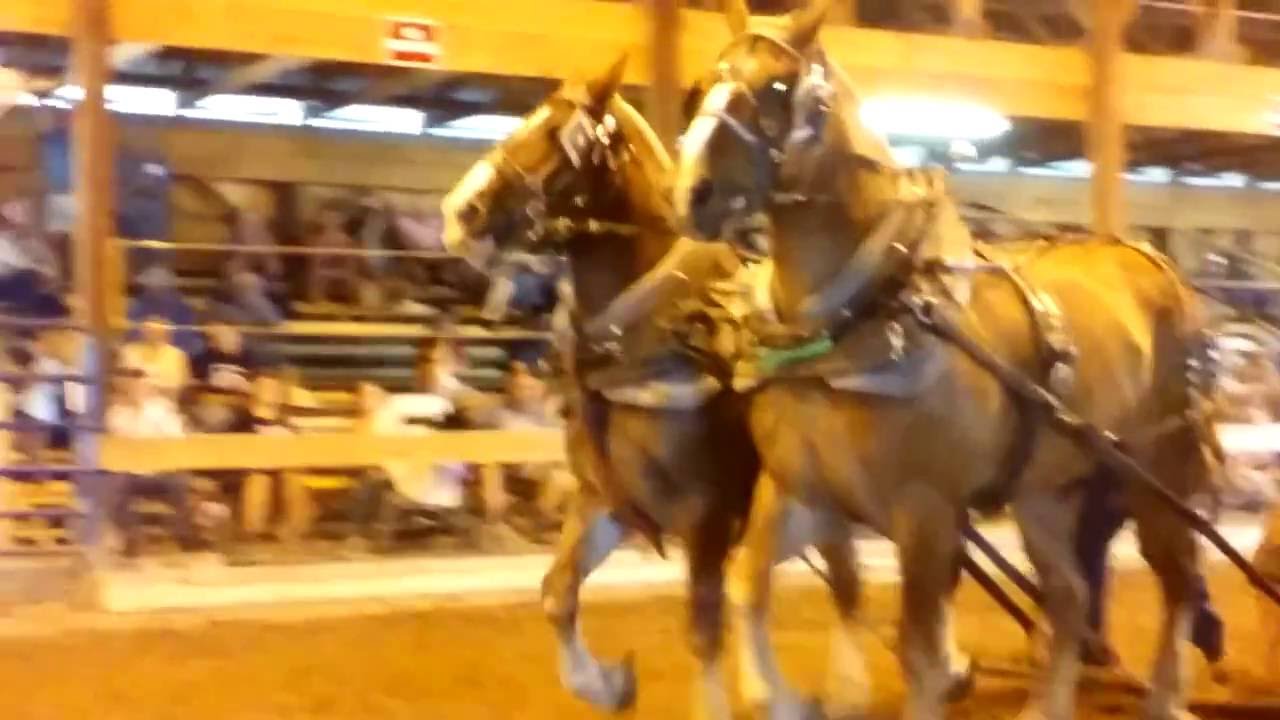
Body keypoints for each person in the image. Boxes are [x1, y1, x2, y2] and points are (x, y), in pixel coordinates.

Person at [104, 371, 200, 558]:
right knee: (112, 486)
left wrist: (146, 411)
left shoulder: (163, 409)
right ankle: (131, 537)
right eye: (131, 386)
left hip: (162, 471)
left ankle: (184, 535)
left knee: (181, 483)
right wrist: (135, 410)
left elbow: (177, 437)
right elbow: (119, 441)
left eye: (140, 386)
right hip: (130, 473)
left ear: (148, 388)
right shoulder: (115, 412)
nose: (135, 390)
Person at [126, 265, 202, 358]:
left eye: (162, 288)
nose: (157, 292)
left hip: (177, 358)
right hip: (142, 357)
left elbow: (193, 343)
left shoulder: (183, 309)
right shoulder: (138, 307)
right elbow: (130, 335)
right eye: (151, 287)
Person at [118, 316, 191, 400]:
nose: (152, 334)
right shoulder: (128, 351)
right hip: (130, 403)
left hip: (165, 403)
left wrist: (155, 389)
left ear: (166, 333)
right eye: (149, 331)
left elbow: (182, 385)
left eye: (157, 331)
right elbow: (120, 381)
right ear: (142, 331)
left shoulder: (178, 355)